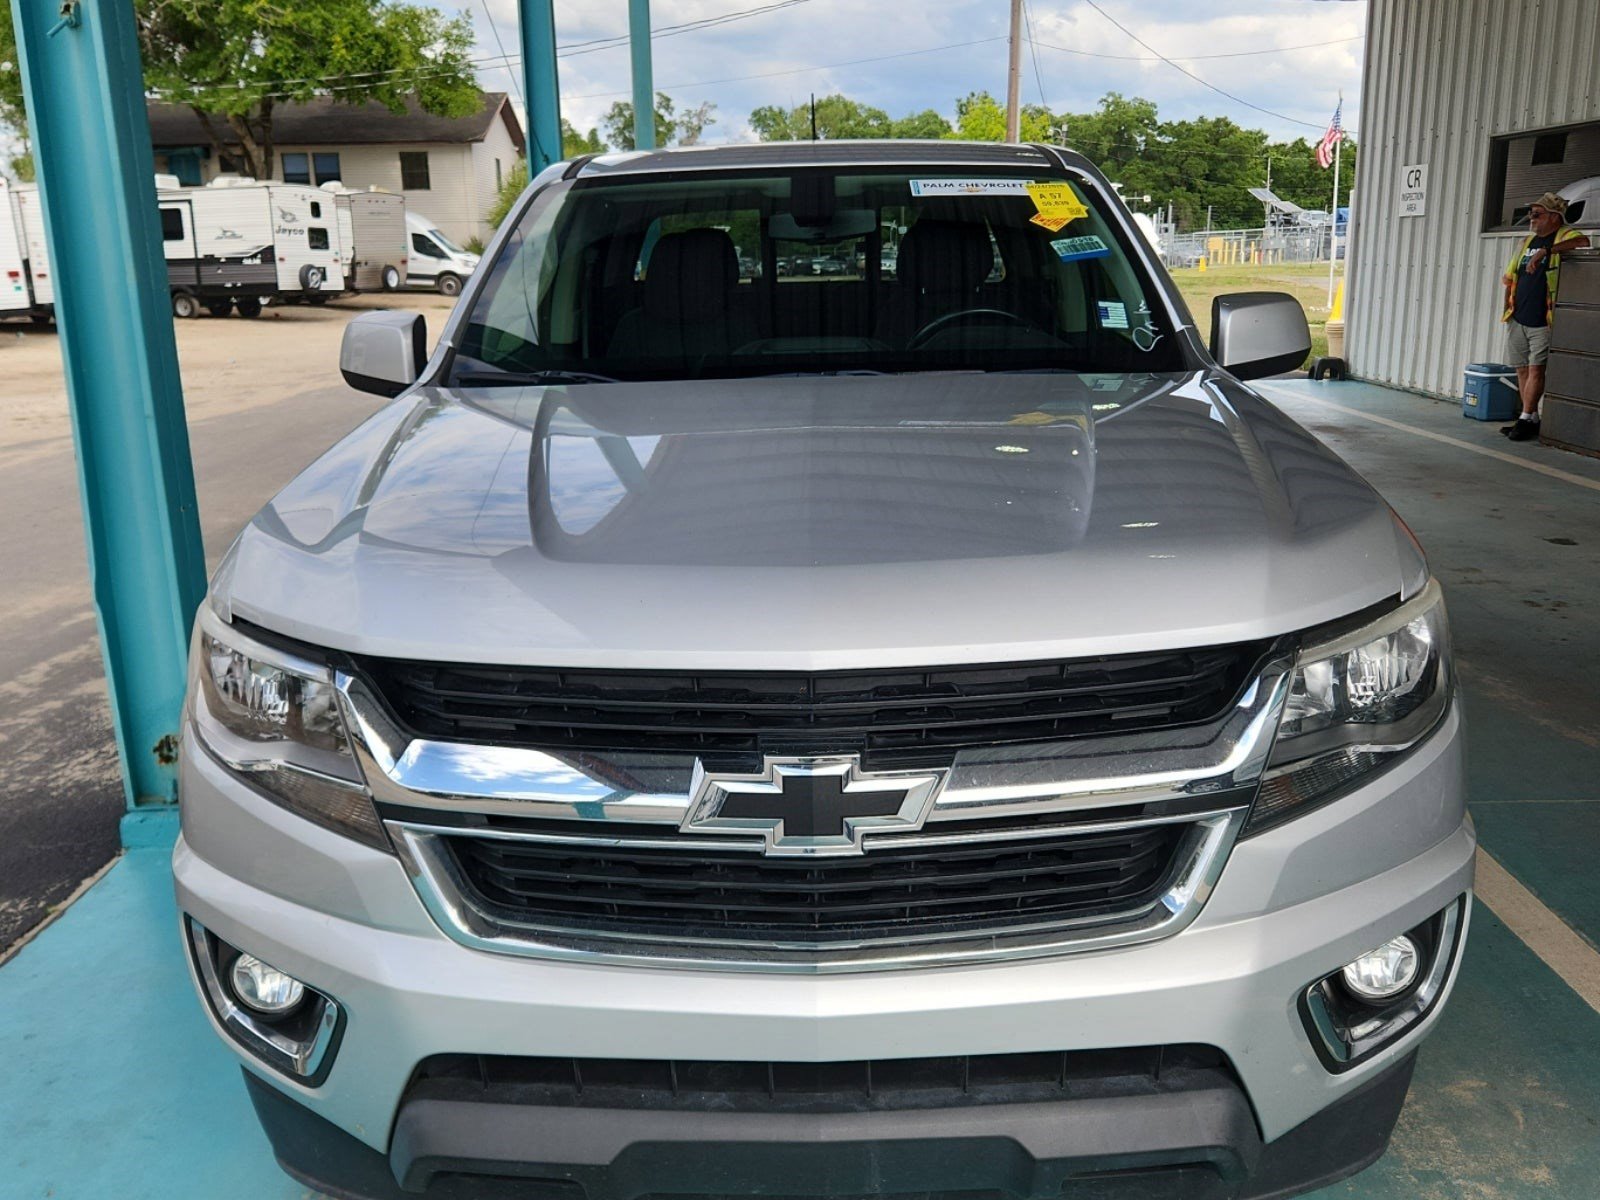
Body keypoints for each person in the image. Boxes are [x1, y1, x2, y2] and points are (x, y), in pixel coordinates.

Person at [1500, 192, 1590, 441]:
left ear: (1554, 217)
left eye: (1537, 214)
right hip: (1518, 315)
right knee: (1522, 369)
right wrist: (1508, 310)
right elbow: (1509, 278)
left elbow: (1583, 243)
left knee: (1536, 369)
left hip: (1543, 318)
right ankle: (1530, 418)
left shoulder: (1564, 237)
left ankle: (1525, 417)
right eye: (1531, 214)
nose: (1532, 218)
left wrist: (1546, 251)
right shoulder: (1527, 242)